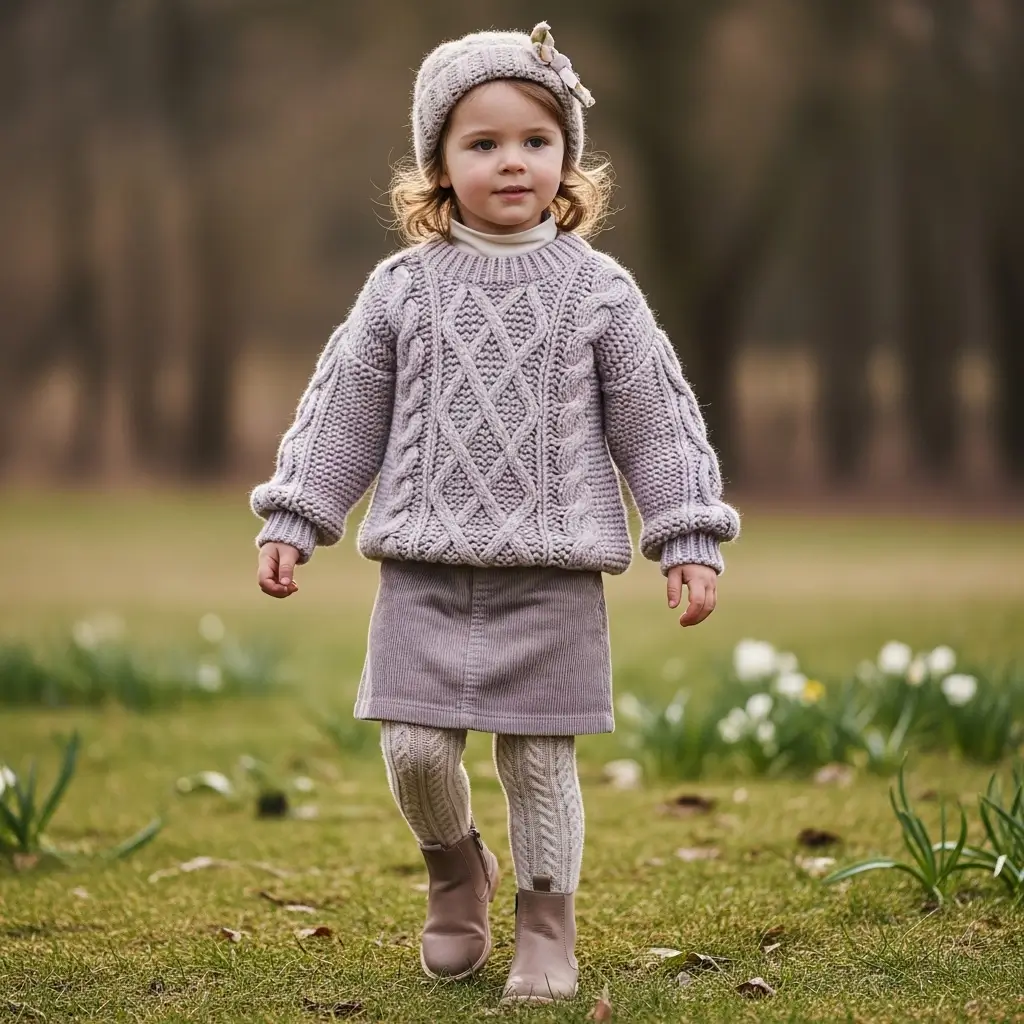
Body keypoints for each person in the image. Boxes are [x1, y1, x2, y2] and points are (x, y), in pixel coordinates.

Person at [251, 21, 740, 1005]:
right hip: (424, 567)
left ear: (567, 158)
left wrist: (685, 532)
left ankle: (545, 924)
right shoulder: (401, 291)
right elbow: (344, 406)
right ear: (437, 163)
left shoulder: (600, 292)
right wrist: (296, 511)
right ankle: (453, 869)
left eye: (534, 139)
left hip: (551, 571)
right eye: (481, 143)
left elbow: (655, 420)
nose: (510, 160)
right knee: (415, 747)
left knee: (537, 758)